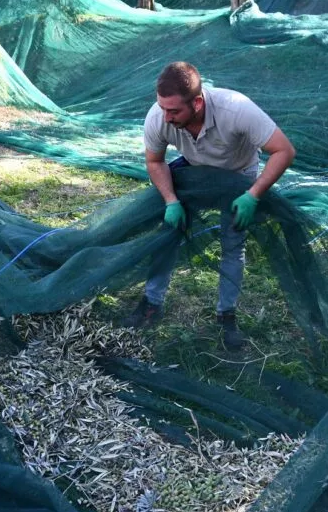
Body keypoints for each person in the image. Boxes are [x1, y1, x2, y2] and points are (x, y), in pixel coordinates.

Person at [123, 62, 296, 351]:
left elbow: (284, 150)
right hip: (193, 170)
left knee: (233, 243)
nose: (167, 117)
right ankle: (152, 303)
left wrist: (253, 195)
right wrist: (171, 200)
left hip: (238, 176)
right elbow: (154, 162)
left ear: (198, 102)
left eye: (174, 111)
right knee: (167, 233)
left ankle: (226, 314)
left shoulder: (237, 109)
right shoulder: (159, 117)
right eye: (163, 108)